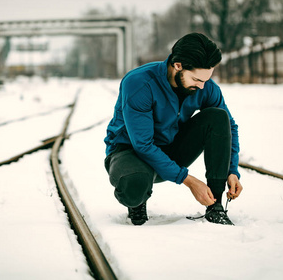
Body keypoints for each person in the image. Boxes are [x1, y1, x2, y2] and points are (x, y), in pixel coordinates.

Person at [104, 33, 242, 226]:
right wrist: (190, 181)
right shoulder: (139, 83)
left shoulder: (205, 87)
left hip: (172, 147)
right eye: (196, 79)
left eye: (206, 80)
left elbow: (230, 127)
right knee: (133, 187)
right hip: (131, 152)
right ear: (178, 65)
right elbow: (143, 145)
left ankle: (215, 206)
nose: (202, 86)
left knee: (219, 117)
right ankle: (138, 201)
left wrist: (232, 170)